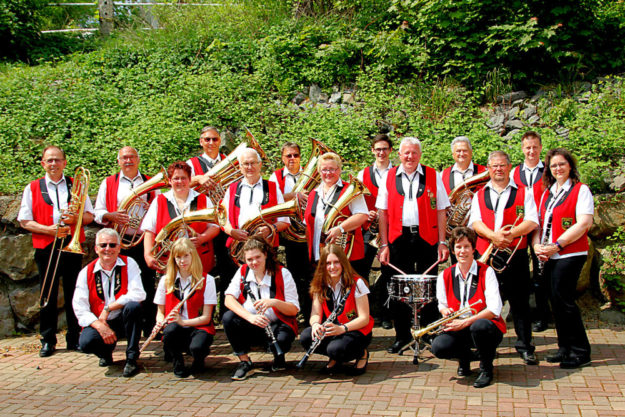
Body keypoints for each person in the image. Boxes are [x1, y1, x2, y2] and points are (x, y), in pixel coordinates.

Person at [17, 145, 95, 357]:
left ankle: (74, 338)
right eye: (49, 160)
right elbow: (24, 221)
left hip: (72, 245)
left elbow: (90, 216)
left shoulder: (76, 185)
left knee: (74, 293)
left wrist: (75, 219)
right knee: (48, 294)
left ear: (64, 163)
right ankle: (48, 340)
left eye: (57, 160)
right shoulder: (32, 187)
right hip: (46, 247)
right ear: (43, 163)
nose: (53, 164)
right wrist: (48, 230)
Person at [376, 137, 451, 353]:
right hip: (398, 240)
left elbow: (441, 210)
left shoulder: (432, 175)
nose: (410, 157)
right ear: (399, 155)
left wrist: (442, 242)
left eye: (414, 153)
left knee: (429, 287)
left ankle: (427, 334)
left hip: (426, 239)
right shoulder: (389, 176)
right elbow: (382, 212)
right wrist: (384, 244)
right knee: (400, 288)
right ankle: (401, 336)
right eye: (406, 153)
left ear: (420, 155)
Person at [468, 150, 539, 365]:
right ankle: (485, 346)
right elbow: (475, 222)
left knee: (520, 304)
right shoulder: (480, 194)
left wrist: (509, 235)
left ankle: (525, 346)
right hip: (487, 256)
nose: (498, 169)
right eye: (494, 166)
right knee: (485, 303)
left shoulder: (524, 192)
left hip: (514, 255)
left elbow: (531, 221)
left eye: (502, 165)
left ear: (509, 167)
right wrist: (493, 237)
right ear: (488, 169)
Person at [532, 148, 593, 369]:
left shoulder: (580, 190)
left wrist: (557, 245)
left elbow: (583, 223)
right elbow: (539, 223)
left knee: (564, 300)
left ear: (570, 166)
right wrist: (538, 245)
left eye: (562, 164)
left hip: (570, 253)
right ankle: (564, 347)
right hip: (549, 255)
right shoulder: (548, 192)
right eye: (553, 165)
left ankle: (580, 351)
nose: (558, 168)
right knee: (556, 302)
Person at [94, 146, 159, 336]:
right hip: (119, 242)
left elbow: (158, 210)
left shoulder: (151, 182)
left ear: (138, 159)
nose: (128, 160)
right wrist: (110, 215)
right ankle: (123, 328)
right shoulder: (108, 183)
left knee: (147, 282)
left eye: (131, 157)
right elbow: (98, 212)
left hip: (143, 241)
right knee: (120, 283)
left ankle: (149, 327)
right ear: (118, 161)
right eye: (124, 158)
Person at [431, 227, 505, 388]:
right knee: (438, 346)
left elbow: (494, 309)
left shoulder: (487, 272)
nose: (462, 251)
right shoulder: (445, 275)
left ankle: (486, 368)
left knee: (480, 326)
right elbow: (442, 304)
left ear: (473, 249)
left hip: (484, 327)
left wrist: (465, 322)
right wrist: (445, 312)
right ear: (453, 250)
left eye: (466, 247)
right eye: (458, 247)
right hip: (459, 327)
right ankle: (465, 359)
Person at [223, 237, 300, 380]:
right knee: (228, 318)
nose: (254, 262)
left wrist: (274, 302)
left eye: (258, 257)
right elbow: (228, 299)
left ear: (265, 254)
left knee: (283, 339)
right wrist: (250, 317)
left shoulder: (283, 273)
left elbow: (293, 310)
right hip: (253, 323)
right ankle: (245, 362)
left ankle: (278, 354)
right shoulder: (242, 271)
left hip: (277, 324)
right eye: (250, 259)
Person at [72, 228, 146, 377]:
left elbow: (139, 293)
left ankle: (131, 358)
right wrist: (99, 325)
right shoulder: (86, 272)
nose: (108, 249)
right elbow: (80, 307)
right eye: (103, 245)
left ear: (119, 247)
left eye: (112, 245)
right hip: (101, 322)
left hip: (123, 319)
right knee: (86, 343)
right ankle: (105, 353)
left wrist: (109, 308)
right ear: (96, 248)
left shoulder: (129, 263)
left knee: (133, 307)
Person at [300, 244, 373, 375]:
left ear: (343, 263)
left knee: (336, 349)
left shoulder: (357, 283)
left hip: (356, 330)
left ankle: (362, 353)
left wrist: (342, 328)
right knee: (306, 336)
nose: (332, 267)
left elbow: (364, 318)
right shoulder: (319, 283)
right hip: (335, 330)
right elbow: (315, 313)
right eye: (328, 263)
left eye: (336, 262)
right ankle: (334, 355)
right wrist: (316, 324)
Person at [141, 161, 220, 274]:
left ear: (189, 179)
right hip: (168, 261)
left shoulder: (203, 199)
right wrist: (148, 255)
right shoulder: (159, 201)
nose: (180, 182)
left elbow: (215, 226)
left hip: (199, 259)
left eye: (183, 178)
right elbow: (149, 231)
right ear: (170, 181)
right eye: (176, 178)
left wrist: (202, 237)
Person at [154, 238, 217, 378]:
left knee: (197, 347)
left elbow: (206, 317)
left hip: (199, 326)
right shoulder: (166, 280)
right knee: (170, 330)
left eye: (186, 256)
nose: (182, 261)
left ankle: (198, 359)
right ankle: (178, 362)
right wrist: (160, 322)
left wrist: (183, 322)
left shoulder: (207, 280)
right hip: (176, 329)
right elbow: (160, 312)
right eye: (178, 257)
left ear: (193, 255)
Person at [304, 152, 369, 276]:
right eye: (324, 169)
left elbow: (362, 215)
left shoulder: (350, 190)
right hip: (319, 255)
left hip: (346, 255)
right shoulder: (313, 193)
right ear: (318, 171)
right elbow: (308, 225)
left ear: (339, 170)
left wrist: (340, 228)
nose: (328, 173)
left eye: (332, 169)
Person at [511, 131, 550, 332]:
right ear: (522, 148)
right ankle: (519, 311)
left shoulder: (549, 171)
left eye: (535, 147)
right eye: (528, 147)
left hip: (542, 227)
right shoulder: (514, 172)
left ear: (541, 148)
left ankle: (543, 316)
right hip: (519, 226)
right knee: (519, 271)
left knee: (541, 272)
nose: (531, 151)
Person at [269, 142, 312, 319]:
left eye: (295, 155)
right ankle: (295, 311)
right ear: (282, 158)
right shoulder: (275, 176)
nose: (292, 159)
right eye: (288, 156)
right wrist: (294, 197)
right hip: (288, 233)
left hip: (308, 231)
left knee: (311, 274)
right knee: (293, 274)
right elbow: (272, 201)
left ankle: (312, 313)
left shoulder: (310, 174)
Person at [222, 148, 290, 260]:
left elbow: (285, 221)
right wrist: (232, 232)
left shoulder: (272, 187)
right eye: (246, 164)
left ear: (260, 165)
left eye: (253, 163)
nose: (250, 167)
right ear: (240, 167)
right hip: (239, 246)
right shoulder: (232, 189)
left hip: (266, 246)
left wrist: (270, 228)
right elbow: (223, 219)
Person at [357, 134, 394, 329]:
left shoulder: (397, 172)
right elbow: (356, 200)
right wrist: (366, 213)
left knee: (388, 272)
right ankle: (365, 313)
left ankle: (386, 314)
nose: (381, 152)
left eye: (385, 149)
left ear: (390, 151)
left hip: (390, 229)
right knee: (361, 270)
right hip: (369, 229)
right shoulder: (363, 173)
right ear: (372, 150)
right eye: (378, 149)